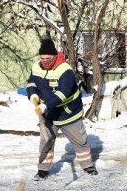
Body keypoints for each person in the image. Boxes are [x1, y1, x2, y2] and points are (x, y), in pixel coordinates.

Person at [26, 37, 97, 180]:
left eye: (47, 58)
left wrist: (46, 105)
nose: (44, 61)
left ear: (54, 56)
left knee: (80, 140)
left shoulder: (65, 70)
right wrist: (33, 95)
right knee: (46, 141)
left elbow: (63, 93)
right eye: (42, 58)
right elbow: (31, 82)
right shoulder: (36, 66)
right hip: (49, 114)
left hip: (68, 113)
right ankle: (43, 170)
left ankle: (87, 165)